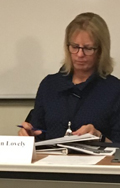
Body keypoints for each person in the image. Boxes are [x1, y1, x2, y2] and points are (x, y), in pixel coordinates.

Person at [18, 12, 120, 142]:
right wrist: (29, 135)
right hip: (52, 161)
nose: (80, 54)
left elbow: (118, 147)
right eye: (75, 47)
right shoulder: (49, 85)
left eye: (88, 48)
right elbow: (38, 133)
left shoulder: (114, 90)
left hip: (96, 161)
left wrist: (99, 137)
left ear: (101, 51)